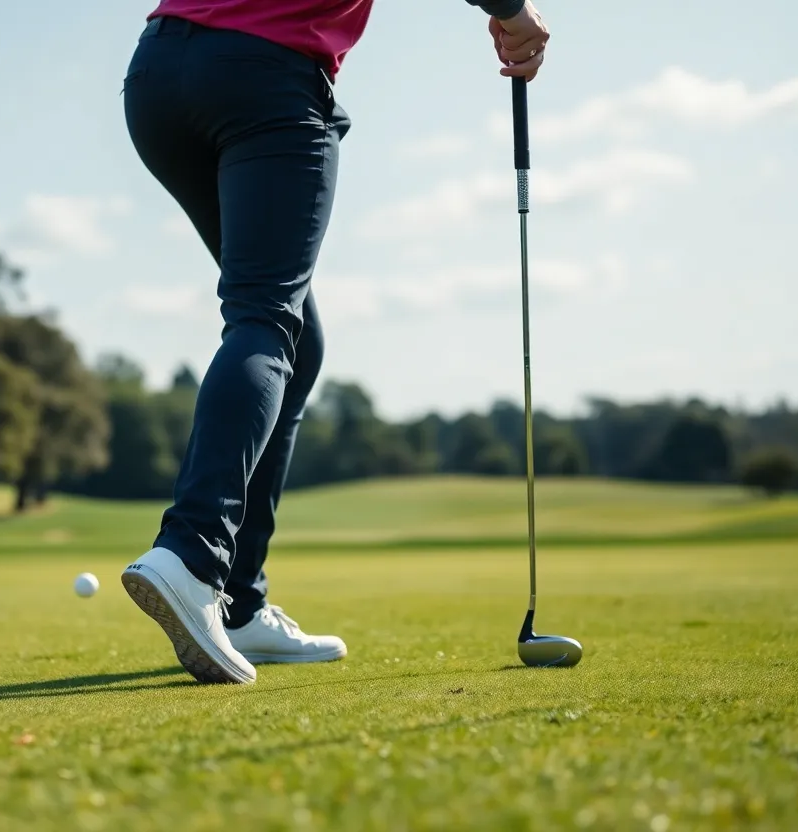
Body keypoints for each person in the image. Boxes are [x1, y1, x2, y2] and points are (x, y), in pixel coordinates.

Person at [119, 0, 552, 684]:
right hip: (264, 74)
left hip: (159, 74)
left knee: (296, 342)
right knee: (265, 318)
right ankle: (193, 555)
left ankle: (238, 601)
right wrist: (513, 11)